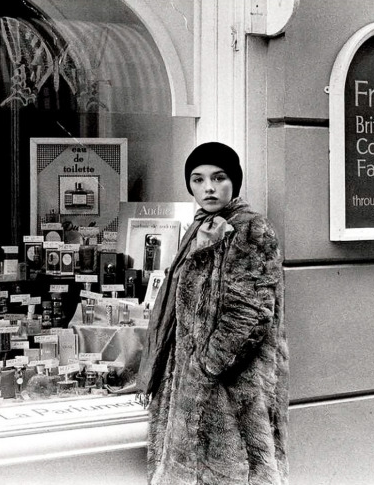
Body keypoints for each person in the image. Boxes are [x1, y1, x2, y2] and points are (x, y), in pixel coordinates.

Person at [137, 142, 288, 485]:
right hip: (190, 393)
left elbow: (250, 314)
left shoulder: (250, 228)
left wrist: (206, 367)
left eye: (218, 178)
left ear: (233, 182)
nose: (208, 187)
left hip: (230, 394)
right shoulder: (199, 229)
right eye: (198, 179)